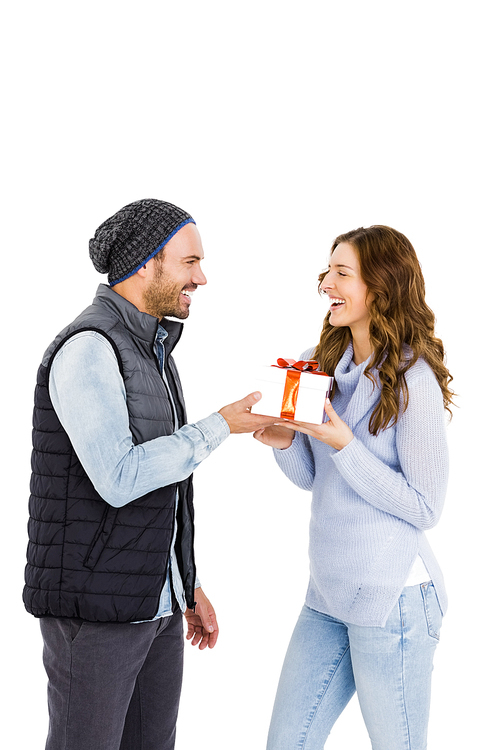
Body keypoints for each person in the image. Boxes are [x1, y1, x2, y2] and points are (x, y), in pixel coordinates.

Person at [23, 198, 277, 750]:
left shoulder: (152, 348)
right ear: (145, 263)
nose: (201, 277)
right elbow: (119, 477)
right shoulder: (89, 348)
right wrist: (219, 427)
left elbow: (164, 485)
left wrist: (186, 583)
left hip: (154, 605)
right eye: (190, 262)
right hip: (94, 613)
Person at [254, 225, 454, 750]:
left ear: (381, 288)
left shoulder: (414, 381)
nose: (326, 284)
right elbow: (312, 479)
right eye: (328, 271)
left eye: (342, 273)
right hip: (327, 593)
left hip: (394, 600)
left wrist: (344, 443)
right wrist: (282, 441)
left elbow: (425, 507)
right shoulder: (319, 362)